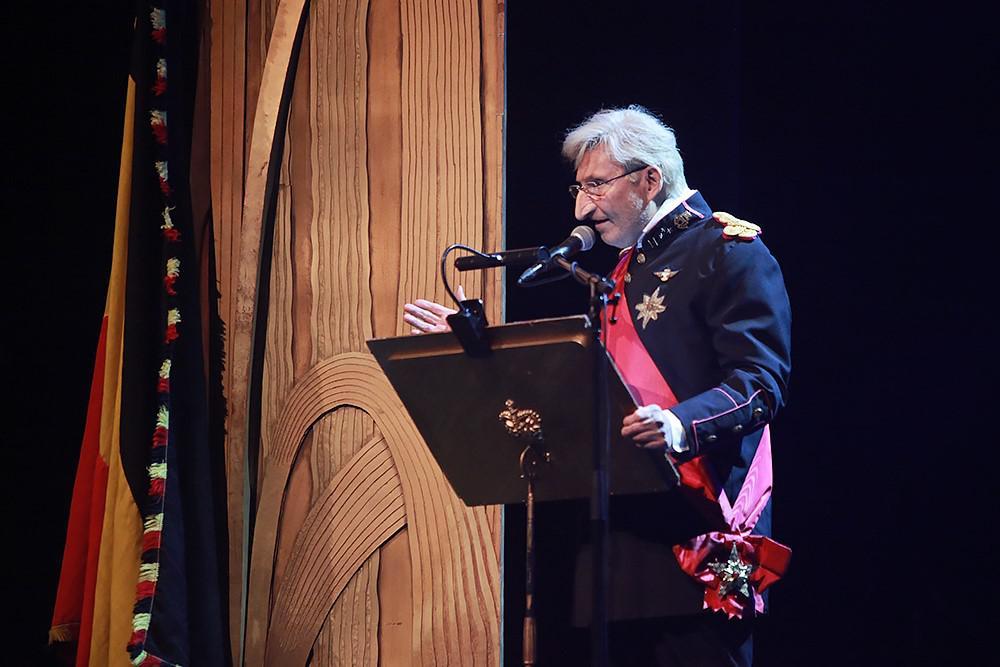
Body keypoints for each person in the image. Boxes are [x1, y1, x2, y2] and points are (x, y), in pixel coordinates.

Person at [404, 105, 791, 667]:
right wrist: (479, 351)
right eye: (578, 188)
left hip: (695, 527)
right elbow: (583, 385)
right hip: (611, 536)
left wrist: (678, 424)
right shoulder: (623, 268)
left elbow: (761, 383)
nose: (581, 208)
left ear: (649, 180)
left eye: (596, 185)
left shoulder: (729, 251)